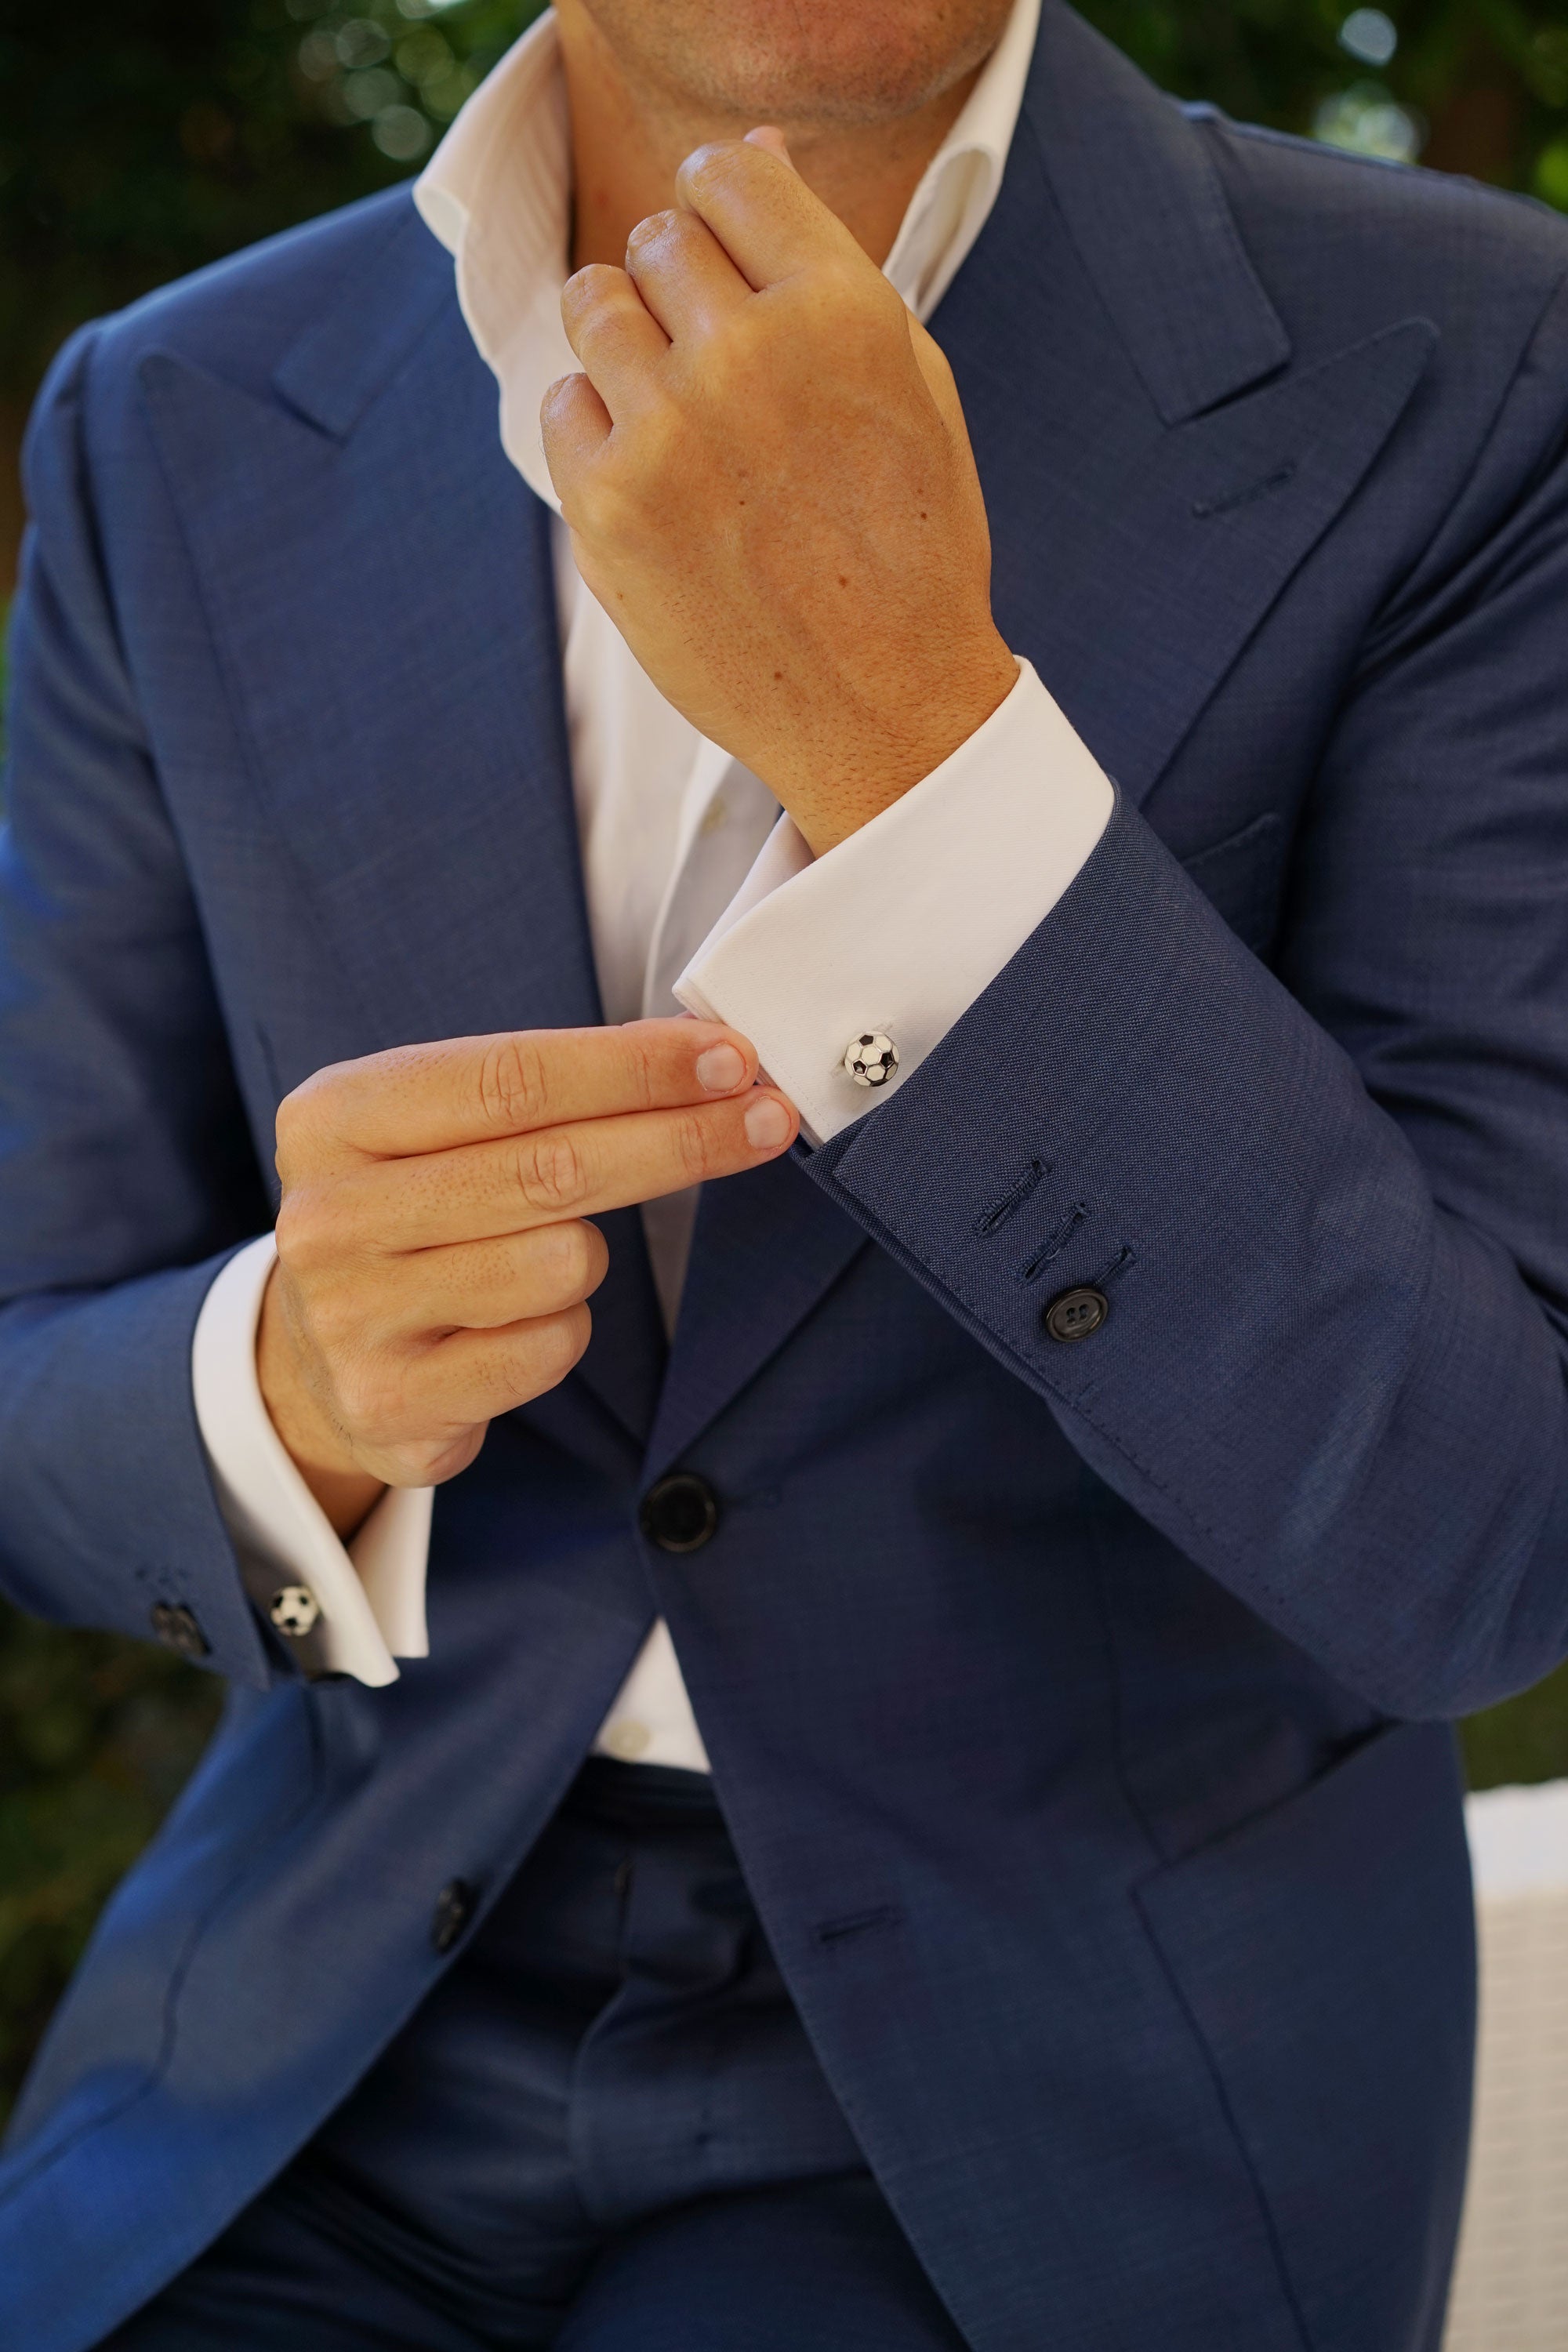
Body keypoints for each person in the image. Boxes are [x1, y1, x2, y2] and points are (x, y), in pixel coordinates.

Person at [2, 0, 1567, 2337]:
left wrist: (921, 747)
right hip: (325, 2037)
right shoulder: (173, 417)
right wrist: (283, 1388)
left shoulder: (1486, 361)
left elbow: (1492, 1538)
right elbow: (37, 1359)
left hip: (1059, 2096)